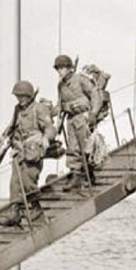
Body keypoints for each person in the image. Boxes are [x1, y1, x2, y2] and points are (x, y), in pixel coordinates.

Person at [0, 81, 57, 226]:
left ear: (29, 96)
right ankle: (15, 213)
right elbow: (12, 125)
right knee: (15, 184)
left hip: (33, 151)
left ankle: (37, 210)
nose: (20, 99)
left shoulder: (39, 109)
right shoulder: (17, 109)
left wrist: (45, 138)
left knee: (29, 181)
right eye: (18, 96)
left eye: (22, 96)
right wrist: (4, 135)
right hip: (19, 151)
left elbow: (50, 128)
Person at [55, 54, 101, 190]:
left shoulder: (80, 79)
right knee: (73, 148)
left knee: (86, 148)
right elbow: (60, 103)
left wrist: (93, 113)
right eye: (58, 68)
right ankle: (76, 175)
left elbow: (94, 94)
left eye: (62, 68)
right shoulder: (60, 85)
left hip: (83, 117)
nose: (59, 71)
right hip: (70, 119)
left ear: (69, 68)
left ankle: (89, 174)